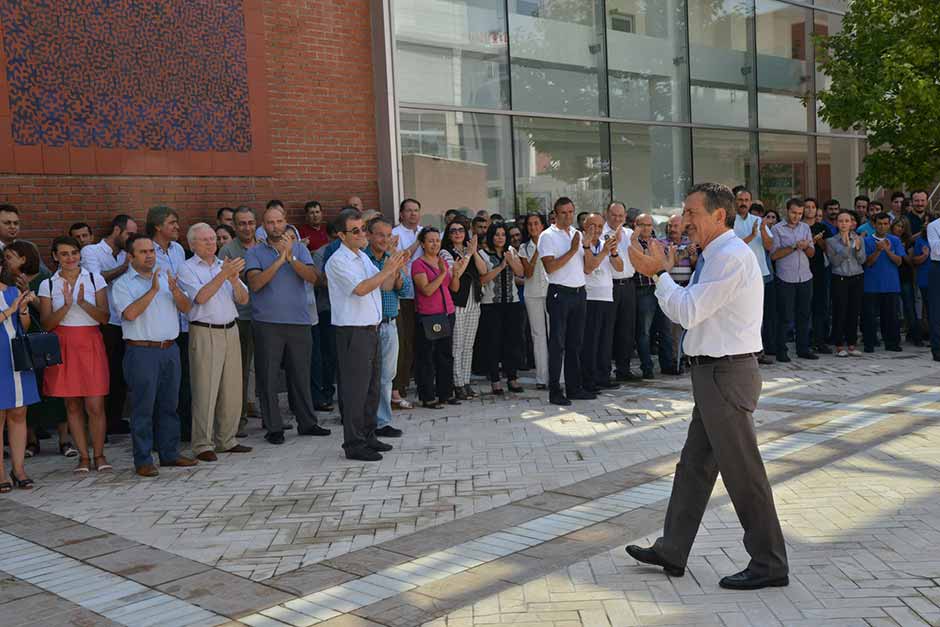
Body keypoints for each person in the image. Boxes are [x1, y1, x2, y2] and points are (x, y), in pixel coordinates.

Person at [625, 182, 788, 591]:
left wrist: (659, 273)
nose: (684, 220)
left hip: (725, 375)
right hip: (714, 374)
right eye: (684, 212)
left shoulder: (729, 258)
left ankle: (769, 562)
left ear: (719, 215)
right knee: (694, 467)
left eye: (692, 213)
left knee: (743, 472)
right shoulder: (715, 255)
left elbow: (688, 311)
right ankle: (672, 549)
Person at [112, 234, 198, 477]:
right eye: (143, 252)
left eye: (151, 251)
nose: (150, 255)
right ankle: (143, 459)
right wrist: (152, 291)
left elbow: (186, 308)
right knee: (143, 408)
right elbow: (128, 314)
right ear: (130, 256)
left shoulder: (165, 277)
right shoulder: (123, 284)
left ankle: (170, 454)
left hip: (169, 349)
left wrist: (174, 290)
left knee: (170, 405)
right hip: (142, 351)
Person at [245, 205, 331, 444]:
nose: (275, 227)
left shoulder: (300, 249)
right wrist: (279, 260)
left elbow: (314, 279)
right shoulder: (254, 252)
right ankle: (274, 427)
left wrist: (290, 257)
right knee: (268, 377)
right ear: (264, 225)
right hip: (267, 323)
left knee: (301, 375)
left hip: (299, 321)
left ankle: (307, 422)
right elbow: (256, 284)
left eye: (279, 222)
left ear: (285, 222)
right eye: (270, 223)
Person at [327, 210, 406, 460]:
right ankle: (353, 444)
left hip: (372, 329)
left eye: (363, 228)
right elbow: (360, 289)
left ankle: (369, 435)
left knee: (372, 388)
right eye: (356, 230)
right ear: (342, 235)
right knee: (355, 391)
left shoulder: (361, 257)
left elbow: (383, 285)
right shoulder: (338, 261)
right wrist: (386, 270)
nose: (363, 234)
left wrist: (393, 264)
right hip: (353, 332)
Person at [178, 224, 253, 462]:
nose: (211, 243)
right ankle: (202, 444)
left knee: (232, 389)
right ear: (192, 245)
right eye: (205, 240)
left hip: (230, 329)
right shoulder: (186, 268)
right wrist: (223, 275)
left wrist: (233, 279)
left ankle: (227, 439)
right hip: (205, 332)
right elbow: (199, 298)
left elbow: (243, 299)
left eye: (213, 239)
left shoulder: (224, 266)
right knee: (205, 389)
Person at [38, 237, 111, 473]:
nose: (71, 258)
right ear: (55, 257)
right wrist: (67, 306)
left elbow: (104, 317)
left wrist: (82, 303)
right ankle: (83, 457)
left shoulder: (93, 278)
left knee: (95, 404)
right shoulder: (48, 284)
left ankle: (99, 455)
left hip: (90, 342)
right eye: (65, 254)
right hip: (63, 343)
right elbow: (47, 324)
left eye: (74, 253)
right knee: (72, 405)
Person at [3, 241, 70, 458]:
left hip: (43, 342)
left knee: (54, 389)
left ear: (23, 258)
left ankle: (64, 440)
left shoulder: (44, 280)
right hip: (18, 345)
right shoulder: (5, 284)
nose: (5, 260)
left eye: (10, 256)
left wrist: (28, 294)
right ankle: (31, 441)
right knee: (26, 397)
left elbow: (46, 314)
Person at [81, 214, 138, 435]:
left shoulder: (126, 254)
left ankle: (115, 419)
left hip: (125, 320)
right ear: (117, 230)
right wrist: (125, 267)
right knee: (104, 373)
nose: (131, 238)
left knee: (121, 373)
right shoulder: (92, 251)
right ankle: (99, 424)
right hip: (103, 321)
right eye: (129, 234)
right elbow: (96, 280)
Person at [537, 197, 594, 406]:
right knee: (557, 344)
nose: (568, 216)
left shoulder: (577, 234)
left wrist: (585, 247)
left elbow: (587, 268)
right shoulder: (547, 236)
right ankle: (554, 390)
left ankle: (574, 387)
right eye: (564, 212)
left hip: (579, 292)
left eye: (571, 212)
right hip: (560, 294)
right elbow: (550, 267)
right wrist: (571, 250)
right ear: (555, 214)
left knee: (575, 343)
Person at [146, 206, 192, 440]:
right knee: (159, 388)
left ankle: (183, 432)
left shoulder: (178, 250)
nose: (177, 226)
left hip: (183, 324)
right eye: (172, 222)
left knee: (183, 382)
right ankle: (159, 436)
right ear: (157, 225)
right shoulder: (146, 251)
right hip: (159, 328)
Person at [364, 217, 409, 438]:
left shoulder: (394, 258)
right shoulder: (364, 259)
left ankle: (382, 421)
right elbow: (382, 288)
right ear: (370, 235)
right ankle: (368, 421)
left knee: (386, 376)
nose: (385, 239)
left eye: (388, 235)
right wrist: (391, 272)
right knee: (368, 377)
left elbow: (405, 289)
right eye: (380, 234)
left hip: (390, 324)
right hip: (368, 327)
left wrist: (397, 274)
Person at [219, 207, 259, 436]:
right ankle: (239, 420)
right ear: (234, 226)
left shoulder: (263, 245)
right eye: (242, 223)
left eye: (251, 222)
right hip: (241, 317)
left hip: (265, 315)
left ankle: (270, 418)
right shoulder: (227, 249)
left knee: (266, 368)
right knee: (241, 370)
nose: (247, 227)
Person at [411, 228, 458, 408]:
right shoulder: (418, 264)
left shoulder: (442, 261)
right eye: (430, 241)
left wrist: (456, 273)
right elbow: (427, 290)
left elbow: (453, 287)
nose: (435, 244)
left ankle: (446, 393)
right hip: (429, 315)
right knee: (427, 357)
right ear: (422, 244)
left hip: (447, 312)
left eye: (437, 240)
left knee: (445, 355)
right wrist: (441, 273)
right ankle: (428, 396)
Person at [0, 277, 39, 491]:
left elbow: (24, 326)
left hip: (17, 357)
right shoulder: (11, 298)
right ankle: (0, 473)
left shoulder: (13, 291)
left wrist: (23, 309)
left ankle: (19, 469)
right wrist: (11, 309)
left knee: (18, 413)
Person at [478, 223, 525, 395]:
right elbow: (482, 279)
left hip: (512, 303)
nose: (500, 237)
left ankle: (512, 378)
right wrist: (500, 266)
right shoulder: (483, 254)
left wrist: (510, 260)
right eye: (497, 234)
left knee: (512, 342)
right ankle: (495, 380)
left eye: (503, 234)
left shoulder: (511, 251)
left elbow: (520, 272)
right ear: (491, 236)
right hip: (491, 304)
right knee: (493, 343)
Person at [441, 217, 486, 399]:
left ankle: (466, 382)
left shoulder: (471, 250)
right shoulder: (445, 252)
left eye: (461, 230)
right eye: (453, 230)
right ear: (449, 234)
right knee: (457, 345)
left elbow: (482, 270)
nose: (458, 233)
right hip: (457, 302)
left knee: (469, 345)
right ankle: (457, 383)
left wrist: (473, 252)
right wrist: (468, 254)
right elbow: (455, 273)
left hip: (473, 300)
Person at [770, 198, 817, 362]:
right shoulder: (776, 229)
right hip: (785, 278)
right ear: (786, 211)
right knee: (785, 316)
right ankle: (781, 350)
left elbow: (812, 254)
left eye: (799, 213)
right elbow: (774, 255)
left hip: (805, 276)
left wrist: (806, 247)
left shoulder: (805, 228)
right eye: (793, 213)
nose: (796, 216)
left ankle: (803, 349)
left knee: (804, 315)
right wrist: (793, 247)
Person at [580, 214, 622, 392]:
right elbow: (588, 268)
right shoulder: (582, 243)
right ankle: (588, 380)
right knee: (591, 341)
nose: (596, 230)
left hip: (607, 295)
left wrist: (613, 252)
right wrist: (605, 251)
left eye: (599, 226)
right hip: (590, 297)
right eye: (592, 226)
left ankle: (603, 376)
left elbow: (619, 267)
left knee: (606, 340)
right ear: (585, 227)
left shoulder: (605, 242)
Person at [733, 189, 775, 363]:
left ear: (751, 202)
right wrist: (751, 235)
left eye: (746, 200)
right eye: (740, 199)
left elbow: (769, 246)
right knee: (738, 314)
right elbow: (733, 246)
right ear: (734, 202)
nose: (743, 202)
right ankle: (740, 353)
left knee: (758, 315)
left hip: (759, 274)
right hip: (737, 275)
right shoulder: (728, 221)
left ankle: (758, 352)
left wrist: (763, 230)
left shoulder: (758, 220)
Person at [633, 214, 676, 378]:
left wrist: (671, 255)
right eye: (642, 224)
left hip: (659, 288)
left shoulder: (658, 243)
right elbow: (643, 261)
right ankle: (647, 367)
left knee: (665, 329)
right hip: (643, 290)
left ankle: (667, 365)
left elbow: (666, 267)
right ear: (636, 225)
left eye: (649, 225)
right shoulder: (633, 243)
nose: (646, 228)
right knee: (644, 331)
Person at [601, 202, 638, 381]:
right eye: (614, 215)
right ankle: (604, 371)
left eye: (621, 215)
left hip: (629, 285)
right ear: (607, 214)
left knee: (627, 330)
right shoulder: (601, 234)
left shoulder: (630, 234)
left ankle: (624, 369)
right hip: (609, 287)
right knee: (608, 331)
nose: (617, 218)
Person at [392, 198, 423, 406]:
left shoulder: (425, 230)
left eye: (416, 211)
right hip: (404, 295)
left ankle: (419, 384)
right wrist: (418, 242)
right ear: (401, 214)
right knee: (403, 343)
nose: (413, 214)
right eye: (409, 211)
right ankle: (398, 388)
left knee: (420, 342)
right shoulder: (395, 234)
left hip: (426, 293)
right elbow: (401, 258)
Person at [862, 212, 904, 353]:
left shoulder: (895, 240)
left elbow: (899, 261)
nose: (882, 226)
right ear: (874, 224)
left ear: (889, 224)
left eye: (886, 224)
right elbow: (867, 263)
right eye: (879, 224)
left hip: (891, 285)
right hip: (871, 285)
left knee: (891, 317)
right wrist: (878, 250)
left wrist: (887, 250)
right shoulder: (867, 241)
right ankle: (869, 344)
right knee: (869, 318)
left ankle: (892, 343)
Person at [828, 210, 866, 357]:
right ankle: (839, 345)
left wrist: (856, 248)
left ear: (851, 223)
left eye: (846, 221)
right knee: (839, 311)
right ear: (837, 223)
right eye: (841, 221)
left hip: (857, 277)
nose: (844, 224)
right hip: (840, 277)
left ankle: (851, 344)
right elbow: (835, 262)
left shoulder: (858, 239)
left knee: (854, 311)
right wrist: (846, 247)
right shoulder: (831, 241)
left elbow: (862, 260)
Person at [519, 213, 550, 389]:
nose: (533, 227)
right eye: (529, 224)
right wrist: (538, 248)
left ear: (542, 225)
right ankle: (541, 378)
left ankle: (559, 376)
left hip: (551, 292)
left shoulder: (552, 242)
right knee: (537, 336)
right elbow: (528, 272)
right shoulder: (524, 247)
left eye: (536, 223)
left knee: (555, 334)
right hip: (532, 294)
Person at [805, 201, 833, 354]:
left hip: (819, 271)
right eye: (807, 207)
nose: (810, 210)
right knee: (803, 308)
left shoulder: (822, 227)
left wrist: (819, 241)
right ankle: (804, 340)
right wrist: (810, 241)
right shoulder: (800, 227)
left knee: (820, 307)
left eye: (813, 207)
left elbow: (830, 249)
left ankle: (820, 340)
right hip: (801, 271)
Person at [893, 217, 921, 346]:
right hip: (891, 277)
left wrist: (902, 251)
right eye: (897, 226)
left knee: (909, 307)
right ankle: (893, 337)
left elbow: (911, 262)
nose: (899, 229)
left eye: (902, 227)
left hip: (905, 277)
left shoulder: (908, 242)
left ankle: (916, 337)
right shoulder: (887, 239)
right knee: (893, 309)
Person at [927, 214, 940, 361]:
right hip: (938, 267)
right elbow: (937, 251)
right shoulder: (934, 226)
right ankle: (937, 348)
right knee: (937, 310)